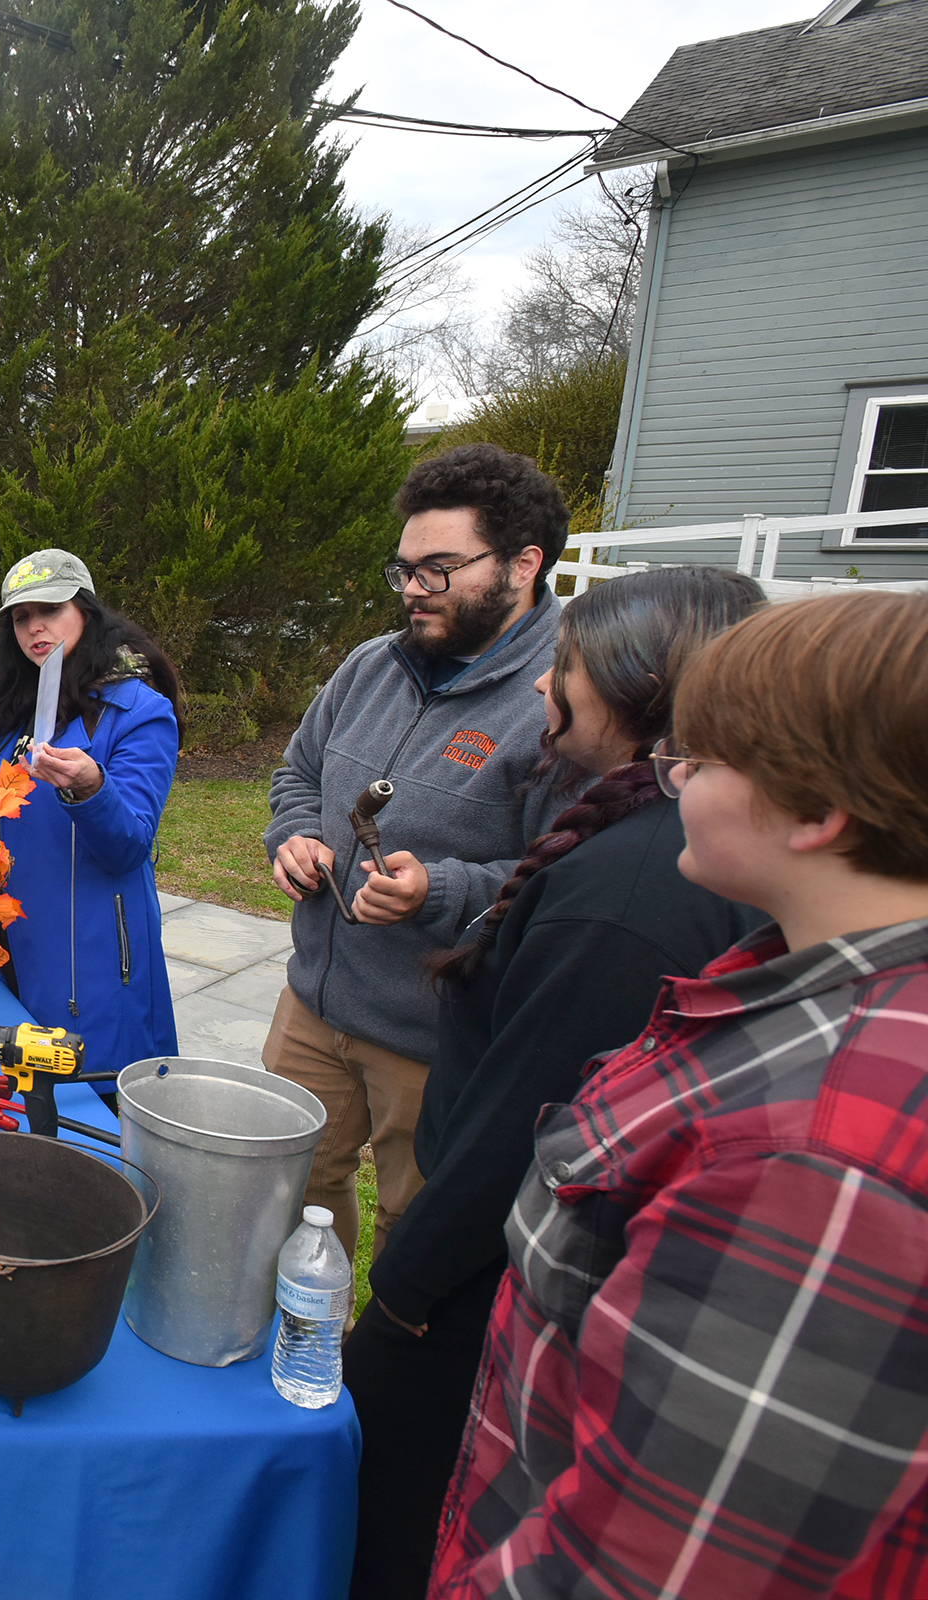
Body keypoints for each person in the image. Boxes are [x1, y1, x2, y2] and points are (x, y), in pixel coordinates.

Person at [432, 589, 928, 1597]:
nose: (673, 775)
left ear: (819, 813)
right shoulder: (809, 990)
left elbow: (649, 1564)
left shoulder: (816, 1163)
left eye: (699, 758)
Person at [344, 567, 767, 1598]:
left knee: (401, 1515)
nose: (544, 684)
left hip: (480, 1288)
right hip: (509, 1275)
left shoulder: (625, 896)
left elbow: (523, 1132)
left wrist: (400, 1300)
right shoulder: (640, 840)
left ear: (633, 687)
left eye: (566, 666)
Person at [262, 443, 581, 1264]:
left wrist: (439, 891)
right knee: (287, 1191)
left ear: (522, 565)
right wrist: (294, 835)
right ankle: (306, 1327)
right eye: (404, 569)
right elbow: (300, 774)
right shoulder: (372, 665)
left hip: (439, 1037)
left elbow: (567, 876)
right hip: (315, 1003)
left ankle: (383, 1349)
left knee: (417, 1232)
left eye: (438, 569)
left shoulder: (562, 696)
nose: (411, 589)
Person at [0, 549, 181, 1075]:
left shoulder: (140, 713)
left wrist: (92, 788)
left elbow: (129, 846)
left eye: (50, 610)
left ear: (86, 612)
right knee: (14, 1082)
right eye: (21, 616)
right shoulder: (18, 707)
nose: (35, 627)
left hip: (87, 955)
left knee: (87, 1096)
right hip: (6, 939)